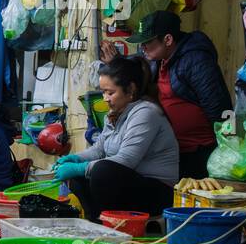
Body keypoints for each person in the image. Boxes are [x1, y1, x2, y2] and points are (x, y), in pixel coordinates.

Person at [102, 11, 232, 180]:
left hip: (200, 154)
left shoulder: (196, 60)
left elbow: (220, 106)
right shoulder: (158, 59)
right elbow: (138, 66)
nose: (143, 48)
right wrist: (118, 61)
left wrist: (229, 151)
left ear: (168, 40)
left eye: (147, 42)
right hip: (173, 152)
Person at [56, 56, 180, 219]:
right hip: (130, 183)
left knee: (101, 171)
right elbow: (98, 150)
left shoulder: (146, 113)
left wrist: (82, 168)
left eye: (110, 92)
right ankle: (95, 222)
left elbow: (126, 160)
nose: (105, 98)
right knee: (81, 175)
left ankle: (112, 223)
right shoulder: (115, 113)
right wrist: (73, 159)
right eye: (103, 92)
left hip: (156, 191)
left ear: (130, 90)